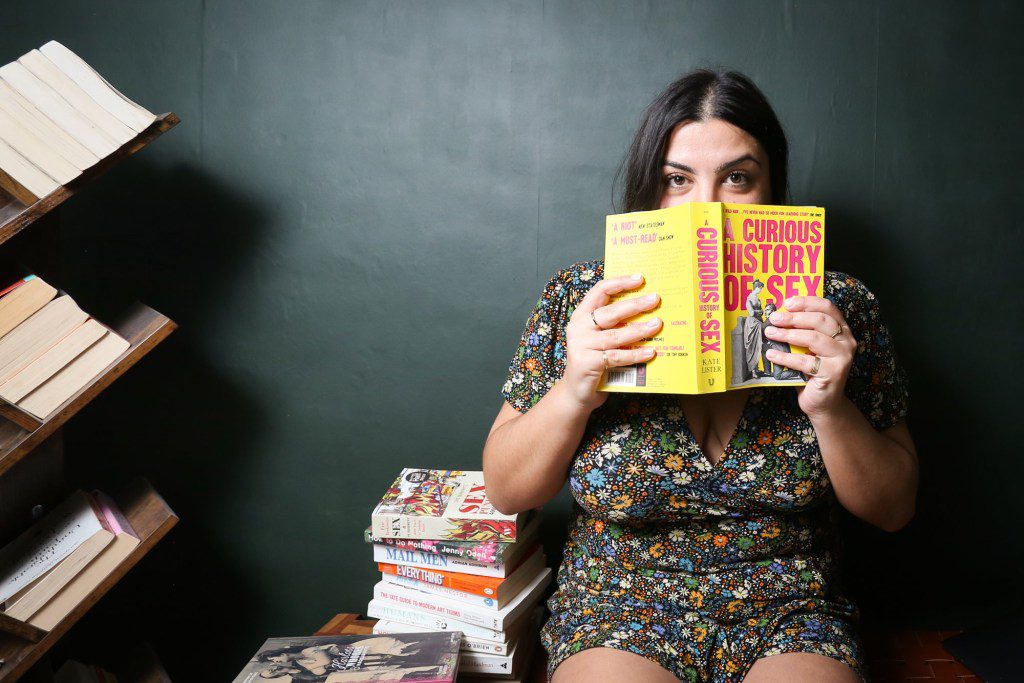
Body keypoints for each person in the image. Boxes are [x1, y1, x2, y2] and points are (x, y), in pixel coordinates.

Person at [482, 70, 917, 683]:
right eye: (676, 180)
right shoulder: (582, 300)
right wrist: (576, 386)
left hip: (790, 608)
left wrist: (829, 407)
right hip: (620, 604)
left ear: (772, 189)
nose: (705, 207)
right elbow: (506, 490)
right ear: (648, 189)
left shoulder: (838, 308)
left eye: (737, 178)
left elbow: (895, 508)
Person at [744, 279, 768, 378]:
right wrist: (758, 311)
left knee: (759, 346)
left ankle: (757, 369)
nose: (761, 290)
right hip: (752, 324)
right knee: (753, 346)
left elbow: (761, 311)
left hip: (759, 322)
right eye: (761, 289)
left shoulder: (757, 298)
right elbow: (752, 313)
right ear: (757, 288)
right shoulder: (749, 298)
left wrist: (757, 311)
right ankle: (753, 371)